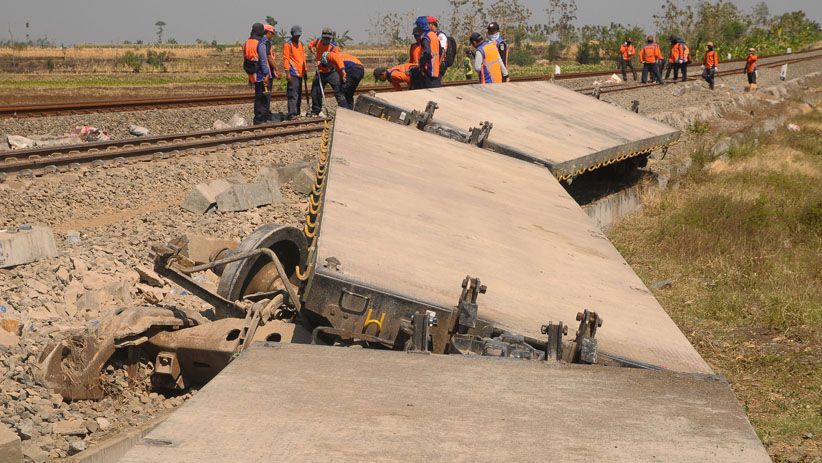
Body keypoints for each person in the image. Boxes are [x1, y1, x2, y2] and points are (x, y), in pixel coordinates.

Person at [308, 27, 345, 115]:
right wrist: (311, 48)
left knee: (338, 90)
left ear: (331, 38)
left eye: (328, 38)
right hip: (320, 72)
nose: (326, 40)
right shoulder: (317, 41)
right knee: (315, 91)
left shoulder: (334, 47)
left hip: (331, 72)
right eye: (325, 38)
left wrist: (321, 63)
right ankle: (316, 111)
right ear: (322, 36)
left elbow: (334, 61)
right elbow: (310, 45)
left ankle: (344, 109)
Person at [243, 23, 272, 125]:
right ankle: (261, 119)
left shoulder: (246, 43)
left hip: (251, 73)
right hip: (260, 74)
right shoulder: (260, 43)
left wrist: (249, 76)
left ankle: (257, 118)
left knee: (258, 96)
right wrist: (266, 74)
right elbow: (263, 60)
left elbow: (245, 59)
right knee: (264, 97)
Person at [283, 25, 307, 119]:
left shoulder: (301, 44)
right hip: (292, 73)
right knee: (293, 94)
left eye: (299, 35)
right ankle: (292, 114)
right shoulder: (288, 44)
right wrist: (287, 73)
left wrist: (305, 70)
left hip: (300, 73)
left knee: (299, 94)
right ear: (292, 34)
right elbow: (286, 59)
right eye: (296, 35)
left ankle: (297, 112)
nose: (297, 37)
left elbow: (303, 58)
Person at [415, 16, 442, 88]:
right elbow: (440, 51)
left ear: (421, 26)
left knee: (429, 91)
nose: (417, 28)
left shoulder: (426, 37)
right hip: (435, 69)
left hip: (428, 69)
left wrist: (421, 63)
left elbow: (427, 52)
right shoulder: (434, 35)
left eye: (418, 26)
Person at [263, 24, 281, 91]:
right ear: (268, 32)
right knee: (267, 92)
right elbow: (268, 57)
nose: (273, 35)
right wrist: (277, 69)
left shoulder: (259, 41)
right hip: (267, 72)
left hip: (260, 72)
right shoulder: (266, 42)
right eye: (272, 33)